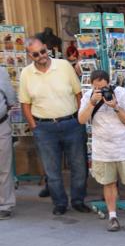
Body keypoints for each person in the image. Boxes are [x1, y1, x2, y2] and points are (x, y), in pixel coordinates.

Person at [77, 70, 125, 231]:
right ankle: (112, 217)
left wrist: (115, 106)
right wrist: (92, 103)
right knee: (109, 183)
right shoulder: (88, 97)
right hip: (103, 150)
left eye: (103, 88)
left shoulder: (120, 93)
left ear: (109, 84)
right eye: (97, 88)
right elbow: (81, 120)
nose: (100, 91)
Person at [19, 37, 89, 215]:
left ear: (46, 48)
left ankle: (78, 200)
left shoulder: (64, 66)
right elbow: (25, 104)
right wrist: (34, 126)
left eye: (43, 51)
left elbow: (78, 93)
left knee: (79, 166)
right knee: (52, 170)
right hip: (45, 128)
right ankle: (60, 203)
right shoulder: (26, 73)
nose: (42, 56)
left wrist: (80, 119)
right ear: (29, 55)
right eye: (36, 54)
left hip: (72, 123)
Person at [0, 67, 18, 220]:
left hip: (0, 125)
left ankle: (5, 205)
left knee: (4, 166)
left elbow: (11, 98)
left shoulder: (1, 72)